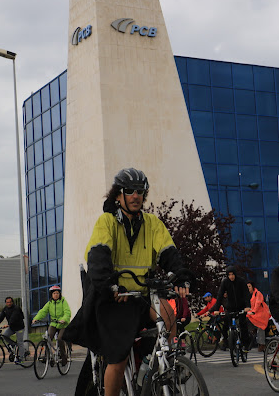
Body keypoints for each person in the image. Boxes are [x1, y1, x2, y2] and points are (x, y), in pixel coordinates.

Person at [64, 167, 192, 396]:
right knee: (118, 357)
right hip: (114, 298)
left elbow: (168, 253)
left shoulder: (152, 223)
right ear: (118, 195)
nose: (136, 195)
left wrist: (180, 276)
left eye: (141, 191)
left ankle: (168, 365)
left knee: (169, 316)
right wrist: (111, 285)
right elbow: (98, 256)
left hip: (141, 296)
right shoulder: (107, 222)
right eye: (130, 191)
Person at [210, 265, 251, 352]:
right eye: (229, 275)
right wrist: (216, 308)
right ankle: (226, 342)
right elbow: (220, 295)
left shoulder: (241, 281)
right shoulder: (225, 282)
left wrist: (247, 306)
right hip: (230, 307)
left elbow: (246, 294)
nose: (231, 277)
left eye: (232, 274)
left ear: (235, 274)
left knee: (243, 325)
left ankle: (246, 345)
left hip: (241, 307)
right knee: (225, 325)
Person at [32, 285, 71, 365]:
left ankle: (64, 357)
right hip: (53, 323)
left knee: (60, 339)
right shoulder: (50, 303)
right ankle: (48, 356)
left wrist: (64, 319)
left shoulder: (63, 301)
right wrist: (36, 318)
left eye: (57, 293)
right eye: (54, 293)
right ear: (51, 295)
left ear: (60, 294)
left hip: (63, 324)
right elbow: (43, 311)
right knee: (48, 338)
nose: (56, 295)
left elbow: (67, 312)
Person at [0, 296, 26, 364]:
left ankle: (21, 358)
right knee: (4, 335)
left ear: (12, 302)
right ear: (5, 303)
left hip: (19, 327)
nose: (9, 303)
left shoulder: (16, 308)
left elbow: (14, 317)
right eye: (7, 302)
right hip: (12, 327)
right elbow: (0, 318)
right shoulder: (5, 309)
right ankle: (13, 344)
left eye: (10, 302)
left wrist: (8, 324)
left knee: (20, 343)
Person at [246, 281, 270, 352]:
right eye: (247, 287)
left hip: (261, 314)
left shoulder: (258, 293)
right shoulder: (252, 294)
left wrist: (253, 311)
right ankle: (255, 334)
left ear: (253, 286)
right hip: (256, 314)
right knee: (247, 318)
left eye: (249, 286)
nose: (248, 288)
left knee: (260, 326)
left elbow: (258, 303)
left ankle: (261, 344)